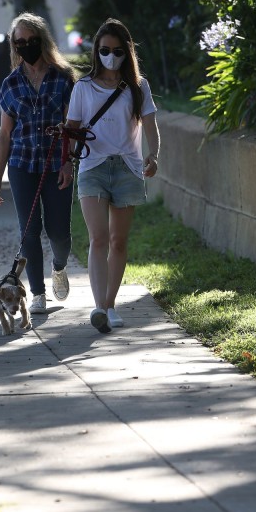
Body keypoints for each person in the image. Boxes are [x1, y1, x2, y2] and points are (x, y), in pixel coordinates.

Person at [66, 18, 160, 333]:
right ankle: (98, 308)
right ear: (96, 51)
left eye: (118, 50)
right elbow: (73, 129)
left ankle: (109, 304)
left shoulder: (138, 87)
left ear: (127, 51)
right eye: (105, 50)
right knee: (98, 238)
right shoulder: (83, 87)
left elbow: (150, 125)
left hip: (127, 168)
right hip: (92, 166)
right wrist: (66, 162)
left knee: (119, 241)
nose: (111, 56)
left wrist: (153, 154)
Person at [0, 12, 77, 313]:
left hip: (56, 165)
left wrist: (68, 163)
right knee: (28, 230)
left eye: (32, 40)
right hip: (22, 165)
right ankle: (37, 293)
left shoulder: (63, 79)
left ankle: (60, 266)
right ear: (14, 46)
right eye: (20, 42)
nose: (26, 46)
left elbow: (73, 126)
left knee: (59, 232)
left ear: (43, 40)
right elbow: (4, 134)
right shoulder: (11, 84)